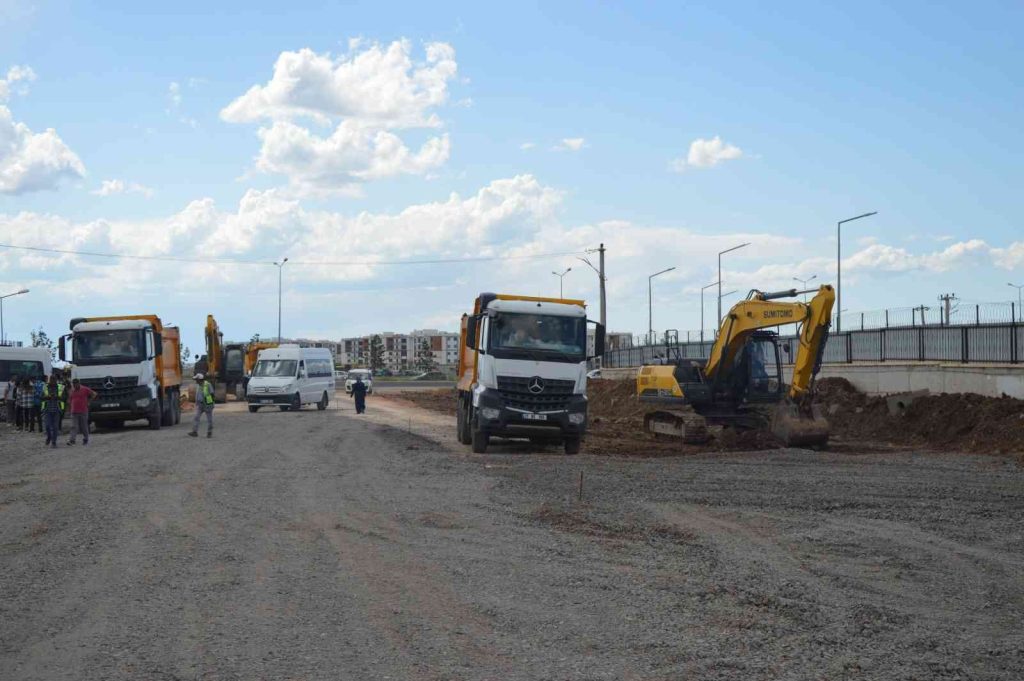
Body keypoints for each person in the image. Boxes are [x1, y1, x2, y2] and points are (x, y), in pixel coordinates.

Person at [66, 378, 97, 446]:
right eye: (73, 384)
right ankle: (72, 440)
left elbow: (94, 394)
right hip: (74, 411)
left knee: (84, 426)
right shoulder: (72, 390)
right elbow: (69, 400)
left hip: (83, 411)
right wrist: (69, 409)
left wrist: (89, 401)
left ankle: (86, 439)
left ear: (78, 383)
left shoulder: (85, 389)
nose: (74, 385)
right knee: (73, 426)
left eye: (75, 384)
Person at [189, 372, 215, 438]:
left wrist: (211, 403)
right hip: (200, 405)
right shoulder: (198, 386)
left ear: (200, 379)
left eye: (196, 380)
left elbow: (212, 394)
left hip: (207, 405)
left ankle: (209, 432)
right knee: (196, 417)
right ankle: (195, 432)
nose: (195, 381)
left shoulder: (208, 385)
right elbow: (198, 395)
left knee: (209, 419)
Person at [41, 375, 64, 448]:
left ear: (56, 380)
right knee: (47, 426)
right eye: (51, 380)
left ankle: (54, 442)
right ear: (49, 380)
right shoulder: (45, 387)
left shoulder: (60, 387)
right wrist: (48, 397)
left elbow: (65, 397)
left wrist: (57, 397)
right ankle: (49, 437)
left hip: (57, 409)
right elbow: (41, 397)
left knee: (55, 427)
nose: (53, 381)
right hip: (47, 409)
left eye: (54, 380)